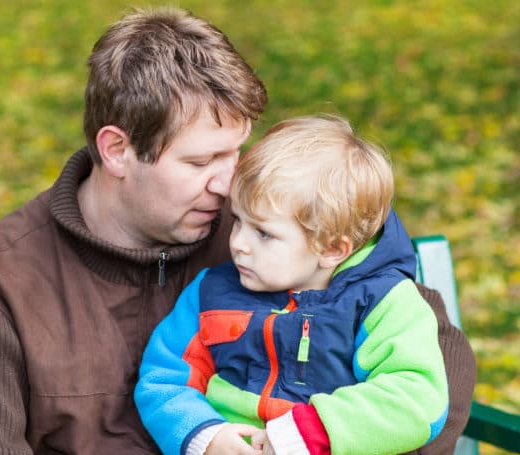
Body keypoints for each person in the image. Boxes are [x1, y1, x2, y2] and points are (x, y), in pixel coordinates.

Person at [0, 7, 475, 455]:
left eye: (237, 153)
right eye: (202, 163)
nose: (228, 185)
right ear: (117, 150)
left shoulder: (272, 229)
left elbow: (436, 365)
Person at [135, 115, 449, 455]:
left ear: (331, 249)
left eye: (264, 233)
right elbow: (164, 378)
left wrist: (310, 433)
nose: (238, 242)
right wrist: (205, 435)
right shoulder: (211, 292)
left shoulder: (382, 302)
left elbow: (418, 398)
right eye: (238, 220)